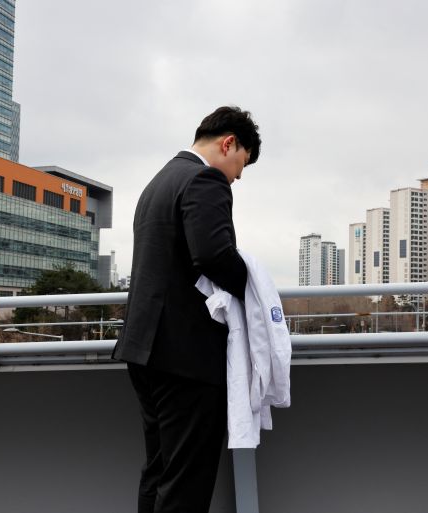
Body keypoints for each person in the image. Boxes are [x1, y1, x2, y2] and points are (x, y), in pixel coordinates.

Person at [112, 106, 261, 513]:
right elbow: (213, 255)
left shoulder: (158, 182)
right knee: (186, 485)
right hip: (185, 358)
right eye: (241, 165)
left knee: (159, 472)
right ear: (228, 143)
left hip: (143, 349)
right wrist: (256, 287)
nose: (237, 176)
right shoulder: (205, 179)